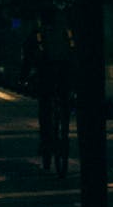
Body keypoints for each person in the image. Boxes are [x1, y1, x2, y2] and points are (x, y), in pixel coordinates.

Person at [20, 16, 77, 174]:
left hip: (46, 76)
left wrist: (23, 77)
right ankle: (64, 136)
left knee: (45, 110)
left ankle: (46, 142)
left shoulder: (38, 33)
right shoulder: (68, 32)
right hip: (65, 75)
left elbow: (28, 56)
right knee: (64, 104)